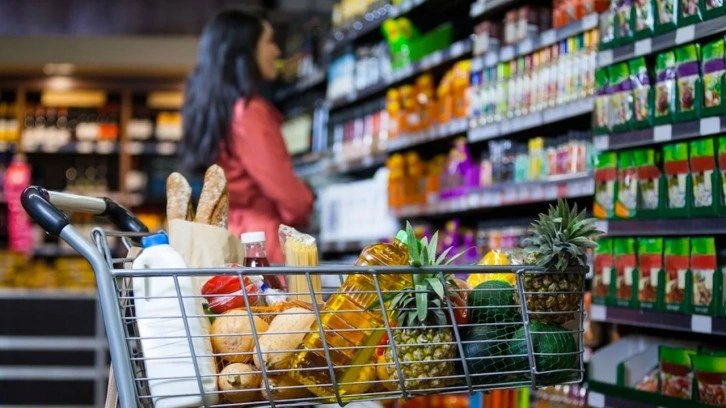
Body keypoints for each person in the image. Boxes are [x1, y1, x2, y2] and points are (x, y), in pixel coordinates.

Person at [179, 9, 314, 264]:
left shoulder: (215, 110)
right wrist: (307, 198)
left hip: (227, 238)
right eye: (269, 41)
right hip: (262, 245)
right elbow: (290, 196)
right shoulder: (249, 112)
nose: (277, 51)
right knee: (271, 304)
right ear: (244, 51)